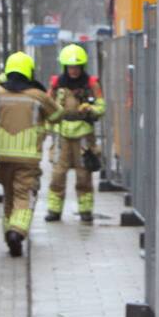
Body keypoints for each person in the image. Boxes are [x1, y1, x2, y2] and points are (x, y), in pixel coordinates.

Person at [0, 52, 62, 257]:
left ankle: (9, 238)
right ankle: (16, 232)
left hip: (3, 156)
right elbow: (57, 115)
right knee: (23, 196)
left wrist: (0, 81)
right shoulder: (38, 96)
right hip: (28, 157)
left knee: (9, 197)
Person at [45, 44, 105, 223]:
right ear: (65, 67)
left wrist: (90, 109)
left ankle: (85, 211)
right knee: (57, 175)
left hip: (84, 138)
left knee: (84, 175)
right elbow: (48, 105)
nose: (73, 71)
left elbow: (102, 107)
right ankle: (54, 211)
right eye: (70, 67)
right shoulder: (56, 84)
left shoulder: (91, 84)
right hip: (62, 136)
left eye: (76, 67)